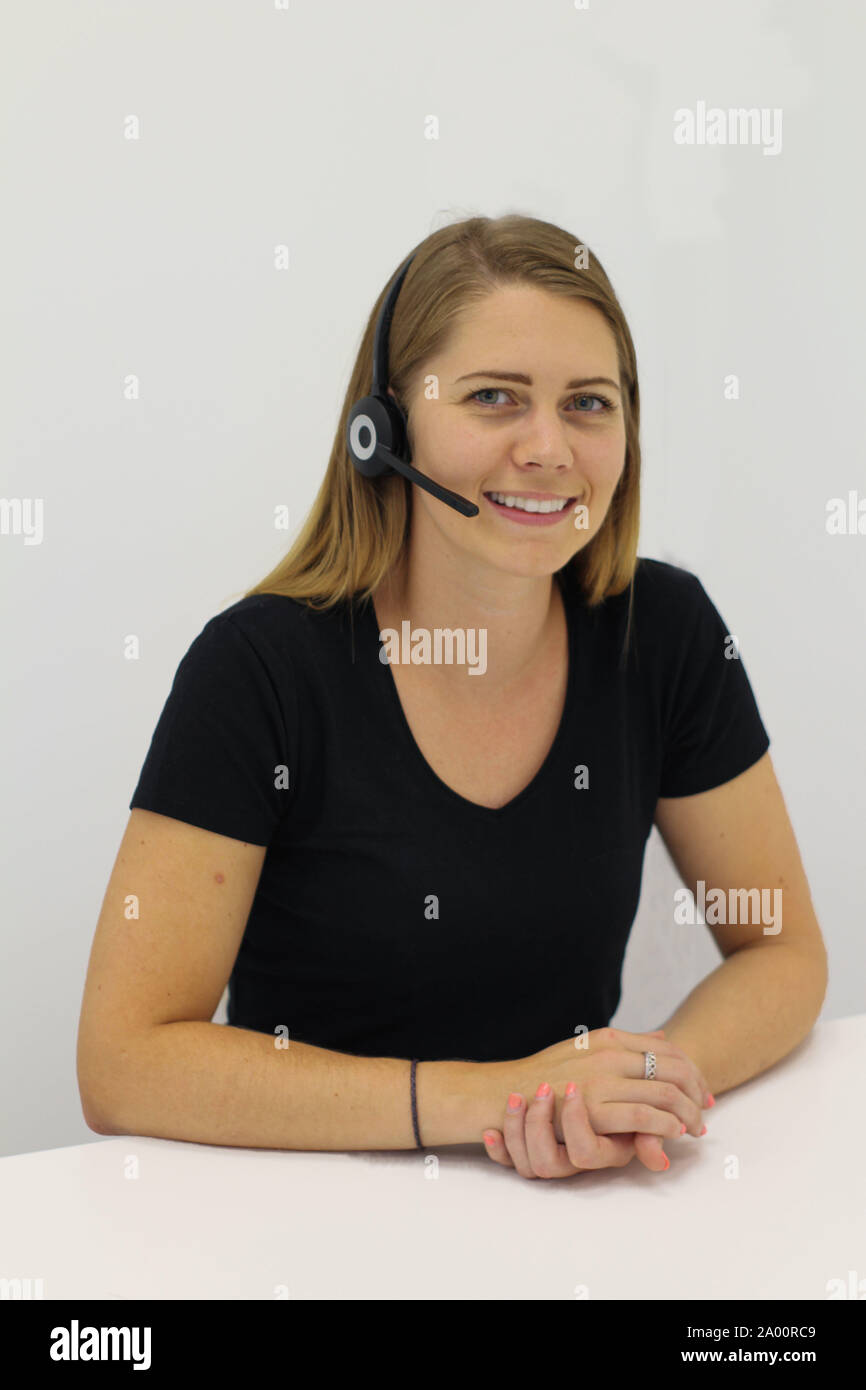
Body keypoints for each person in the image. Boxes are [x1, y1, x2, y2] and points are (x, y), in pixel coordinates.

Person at [76, 213, 827, 1181]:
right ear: (381, 429)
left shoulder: (663, 632)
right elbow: (123, 1061)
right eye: (493, 398)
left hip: (570, 1206)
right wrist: (493, 1099)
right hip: (305, 1210)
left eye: (588, 404)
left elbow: (780, 949)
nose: (549, 447)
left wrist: (638, 1080)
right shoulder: (257, 669)